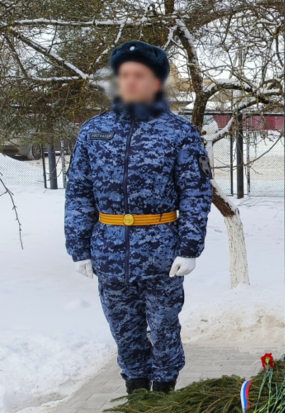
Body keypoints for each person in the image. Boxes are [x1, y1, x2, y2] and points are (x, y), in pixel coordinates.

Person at [64, 41, 212, 394]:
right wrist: (78, 247)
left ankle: (162, 395)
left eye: (139, 75)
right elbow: (79, 193)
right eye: (124, 74)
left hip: (161, 250)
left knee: (163, 328)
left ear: (156, 82)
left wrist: (190, 247)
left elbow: (195, 193)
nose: (129, 81)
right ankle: (135, 394)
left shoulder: (179, 133)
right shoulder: (93, 132)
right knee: (123, 330)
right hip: (110, 251)